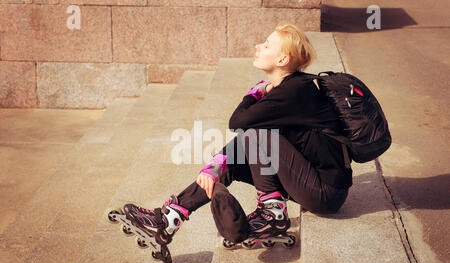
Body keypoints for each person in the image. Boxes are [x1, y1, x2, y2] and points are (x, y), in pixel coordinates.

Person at [121, 23, 352, 249]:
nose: (258, 46)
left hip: (325, 193)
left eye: (267, 45)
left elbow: (239, 122)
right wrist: (215, 165)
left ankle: (272, 214)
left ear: (282, 60)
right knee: (230, 164)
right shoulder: (289, 89)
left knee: (255, 133)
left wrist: (254, 92)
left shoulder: (294, 91)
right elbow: (244, 139)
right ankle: (169, 218)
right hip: (307, 179)